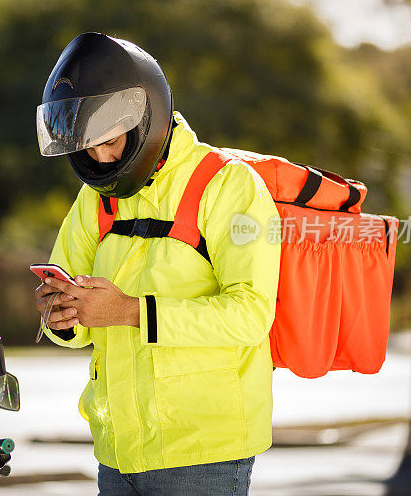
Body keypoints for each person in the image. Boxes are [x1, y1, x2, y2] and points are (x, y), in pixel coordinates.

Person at [33, 32, 281, 495]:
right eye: (86, 144)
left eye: (109, 139)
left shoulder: (228, 185)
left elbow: (251, 315)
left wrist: (129, 311)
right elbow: (73, 310)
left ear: (147, 116)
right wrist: (62, 316)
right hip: (117, 452)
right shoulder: (94, 200)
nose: (99, 157)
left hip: (203, 454)